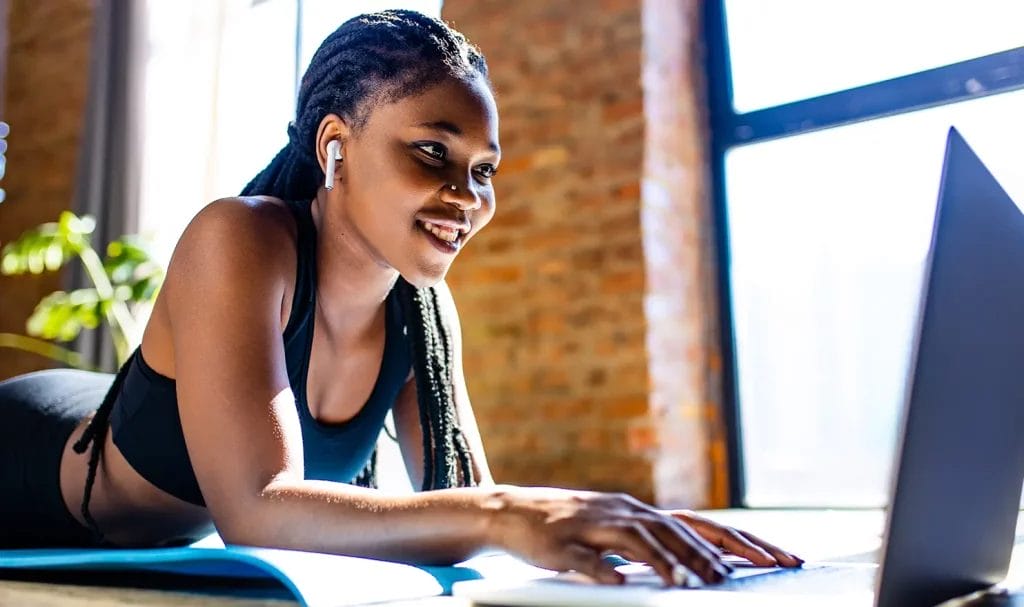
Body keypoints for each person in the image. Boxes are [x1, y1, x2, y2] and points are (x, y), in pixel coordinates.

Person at [0, 9, 801, 587]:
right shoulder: (241, 240)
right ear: (334, 147)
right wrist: (506, 509)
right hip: (27, 460)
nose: (467, 194)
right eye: (432, 152)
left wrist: (632, 534)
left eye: (484, 169)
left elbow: (457, 498)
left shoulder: (420, 310)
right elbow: (258, 510)